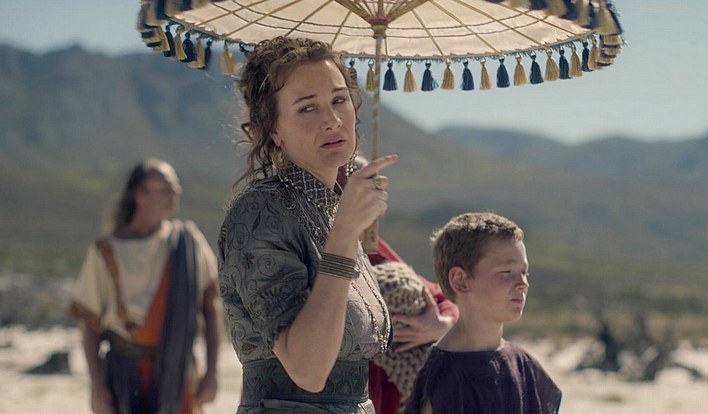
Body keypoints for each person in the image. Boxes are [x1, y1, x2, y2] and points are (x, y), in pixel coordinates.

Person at [217, 36, 398, 413]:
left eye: (339, 100)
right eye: (307, 108)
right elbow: (308, 370)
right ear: (274, 130)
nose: (332, 120)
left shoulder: (331, 209)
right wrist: (345, 232)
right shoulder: (260, 212)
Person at [68, 158, 222, 414]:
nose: (176, 192)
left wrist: (212, 373)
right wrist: (96, 386)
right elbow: (88, 322)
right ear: (140, 195)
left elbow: (211, 307)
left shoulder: (187, 242)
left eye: (176, 186)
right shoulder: (106, 250)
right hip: (124, 375)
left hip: (179, 373)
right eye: (166, 187)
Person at [404, 212, 562, 414]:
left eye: (524, 272)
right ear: (460, 281)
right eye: (506, 272)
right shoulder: (446, 376)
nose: (523, 283)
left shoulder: (524, 365)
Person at [339, 158, 459, 414]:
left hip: (386, 392)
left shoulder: (374, 247)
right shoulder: (315, 246)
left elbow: (437, 296)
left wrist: (443, 324)